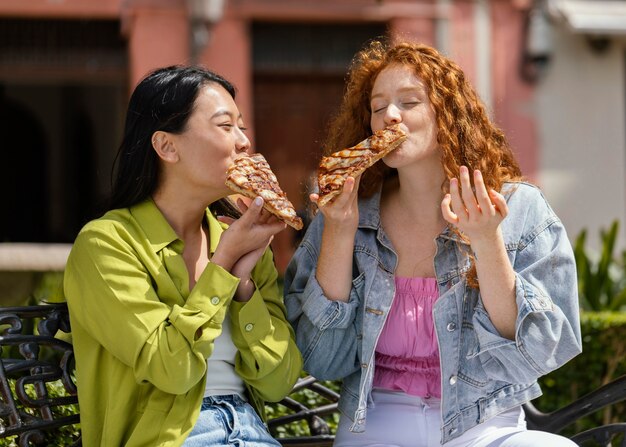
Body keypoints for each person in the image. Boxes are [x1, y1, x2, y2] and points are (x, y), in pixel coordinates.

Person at [284, 39, 582, 446]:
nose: (389, 116)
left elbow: (538, 352)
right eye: (377, 107)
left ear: (447, 114)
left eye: (409, 103)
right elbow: (323, 358)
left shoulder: (516, 206)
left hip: (485, 425)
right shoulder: (347, 212)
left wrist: (485, 239)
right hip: (377, 420)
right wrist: (339, 230)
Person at [64, 66, 302, 446]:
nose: (243, 142)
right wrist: (222, 267)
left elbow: (278, 382)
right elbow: (172, 370)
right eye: (226, 126)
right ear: (166, 146)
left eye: (242, 127)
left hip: (250, 431)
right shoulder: (107, 244)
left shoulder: (242, 239)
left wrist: (243, 284)